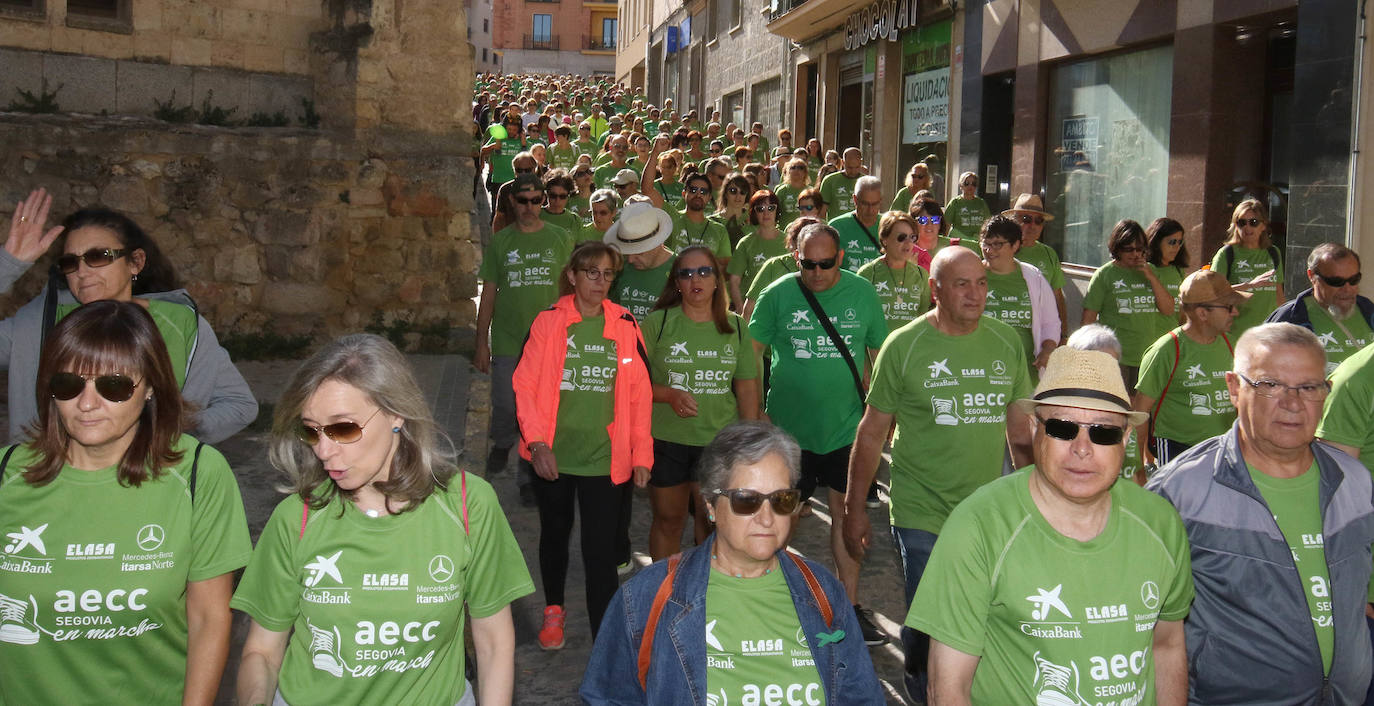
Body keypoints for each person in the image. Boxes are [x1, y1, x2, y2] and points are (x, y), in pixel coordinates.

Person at [233, 333, 532, 706]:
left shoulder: (468, 506)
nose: (323, 450)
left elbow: (493, 642)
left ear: (396, 414)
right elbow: (262, 651)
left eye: (343, 428)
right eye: (311, 430)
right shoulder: (298, 518)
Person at [0, 300, 251, 704]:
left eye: (113, 386)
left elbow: (209, 620)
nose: (87, 403)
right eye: (68, 384)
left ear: (150, 386)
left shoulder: (198, 474)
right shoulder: (7, 477)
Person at [910, 347, 1192, 705]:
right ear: (1034, 429)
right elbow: (947, 690)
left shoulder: (1160, 523)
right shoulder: (977, 527)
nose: (1082, 448)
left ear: (1125, 439)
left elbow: (1166, 646)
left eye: (1104, 433)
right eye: (1062, 428)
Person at [844, 246, 1034, 699]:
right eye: (962, 284)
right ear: (936, 290)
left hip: (986, 510)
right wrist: (854, 508)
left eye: (981, 283)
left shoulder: (1006, 341)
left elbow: (1020, 431)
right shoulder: (904, 345)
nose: (975, 294)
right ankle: (925, 683)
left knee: (983, 607)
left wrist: (1036, 499)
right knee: (932, 613)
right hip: (921, 508)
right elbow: (872, 433)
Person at [579, 421, 884, 704]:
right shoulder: (646, 599)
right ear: (710, 506)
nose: (766, 518)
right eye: (746, 499)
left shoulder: (824, 592)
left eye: (782, 500)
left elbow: (860, 697)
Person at [1151, 323, 1374, 705]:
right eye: (1271, 384)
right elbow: (1149, 630)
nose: (1293, 403)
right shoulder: (1180, 492)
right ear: (1234, 388)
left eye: (1309, 387)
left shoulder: (1353, 481)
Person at [0, 191, 257, 444]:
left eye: (98, 256)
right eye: (70, 262)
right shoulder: (39, 323)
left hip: (146, 470)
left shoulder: (180, 325)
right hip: (48, 470)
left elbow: (239, 404)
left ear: (135, 262)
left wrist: (167, 437)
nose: (82, 271)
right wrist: (9, 263)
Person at [749, 222, 889, 645]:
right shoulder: (777, 294)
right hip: (788, 434)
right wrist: (754, 413)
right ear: (797, 259)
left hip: (846, 430)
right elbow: (749, 354)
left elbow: (880, 356)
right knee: (780, 518)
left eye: (826, 264)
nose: (816, 272)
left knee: (846, 516)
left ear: (840, 259)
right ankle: (770, 602)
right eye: (808, 264)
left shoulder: (862, 293)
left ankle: (848, 608)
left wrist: (883, 417)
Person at [513, 241, 653, 649]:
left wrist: (641, 453)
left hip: (606, 459)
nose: (600, 281)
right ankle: (553, 609)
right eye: (591, 272)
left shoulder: (625, 323)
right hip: (553, 456)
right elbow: (524, 386)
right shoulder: (548, 322)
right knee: (555, 534)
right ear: (572, 276)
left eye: (607, 274)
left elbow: (640, 394)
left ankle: (604, 640)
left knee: (601, 552)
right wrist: (537, 444)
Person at [641, 249, 760, 559]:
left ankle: (707, 584)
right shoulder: (657, 323)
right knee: (669, 520)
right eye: (686, 273)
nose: (696, 279)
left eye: (705, 272)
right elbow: (631, 382)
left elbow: (747, 385)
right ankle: (666, 585)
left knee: (712, 525)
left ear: (717, 280)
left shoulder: (735, 326)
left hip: (719, 442)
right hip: (666, 440)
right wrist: (668, 395)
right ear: (676, 283)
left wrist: (749, 439)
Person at [474, 174, 574, 500]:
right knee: (506, 403)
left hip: (548, 341)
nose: (529, 207)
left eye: (536, 200)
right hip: (508, 338)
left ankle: (527, 474)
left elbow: (571, 290)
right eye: (523, 201)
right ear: (512, 202)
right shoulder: (501, 242)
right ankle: (503, 441)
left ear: (542, 201)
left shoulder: (560, 238)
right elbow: (489, 294)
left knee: (538, 410)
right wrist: (481, 342)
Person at [1131, 269, 1241, 468]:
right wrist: (1137, 470)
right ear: (1202, 313)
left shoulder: (1234, 345)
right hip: (1178, 451)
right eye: (1228, 307)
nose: (1235, 312)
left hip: (1224, 449)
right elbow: (1139, 414)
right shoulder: (1166, 350)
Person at [1081, 219, 1176, 388]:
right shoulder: (1104, 275)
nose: (1135, 254)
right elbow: (1088, 320)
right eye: (1129, 249)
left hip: (1148, 355)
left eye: (1140, 249)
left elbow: (1168, 310)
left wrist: (1151, 277)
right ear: (1117, 248)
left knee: (1141, 403)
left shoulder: (1151, 271)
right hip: (1117, 357)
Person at [1266, 242, 1374, 374]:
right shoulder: (1289, 319)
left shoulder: (1369, 312)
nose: (1347, 289)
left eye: (1354, 280)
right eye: (1336, 281)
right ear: (1312, 276)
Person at [978, 214, 1059, 377]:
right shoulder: (972, 275)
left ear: (1015, 245)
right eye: (986, 243)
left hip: (1025, 372)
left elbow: (1050, 323)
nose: (989, 250)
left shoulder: (1034, 277)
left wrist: (1048, 349)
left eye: (997, 244)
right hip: (981, 369)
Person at [1211, 197, 1284, 338]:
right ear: (1235, 225)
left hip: (1268, 333)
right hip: (1235, 334)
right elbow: (1212, 293)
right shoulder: (1226, 254)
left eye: (1253, 222)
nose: (1247, 227)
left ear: (1263, 226)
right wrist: (1250, 285)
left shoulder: (1273, 252)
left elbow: (1278, 294)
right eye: (1242, 223)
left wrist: (1285, 323)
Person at [1003, 194, 1067, 342]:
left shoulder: (1049, 254)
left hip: (1041, 338)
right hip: (1006, 334)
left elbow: (1058, 296)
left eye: (1038, 221)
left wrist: (1063, 335)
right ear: (1014, 221)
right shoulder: (1001, 249)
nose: (1032, 225)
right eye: (1026, 219)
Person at [855, 211, 931, 333]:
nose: (908, 243)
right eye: (901, 237)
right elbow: (859, 318)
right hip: (878, 344)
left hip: (909, 344)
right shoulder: (868, 273)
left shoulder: (922, 275)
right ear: (885, 239)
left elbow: (922, 319)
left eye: (912, 237)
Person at [606, 198, 675, 319]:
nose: (631, 259)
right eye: (628, 252)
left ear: (656, 242)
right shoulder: (620, 269)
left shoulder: (681, 270)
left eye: (639, 252)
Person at [726, 190, 788, 306]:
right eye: (760, 209)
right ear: (754, 212)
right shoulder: (746, 243)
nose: (766, 213)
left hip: (782, 304)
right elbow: (734, 281)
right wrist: (740, 309)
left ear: (777, 210)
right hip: (752, 305)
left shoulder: (789, 242)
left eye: (771, 208)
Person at [828, 175, 884, 272]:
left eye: (874, 204)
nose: (870, 210)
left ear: (881, 201)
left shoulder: (889, 225)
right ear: (855, 200)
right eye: (865, 204)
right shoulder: (836, 227)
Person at [1145, 217, 1188, 342]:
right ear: (1156, 241)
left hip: (1172, 340)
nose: (1177, 247)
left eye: (1180, 242)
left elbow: (1182, 312)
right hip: (1148, 339)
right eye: (1172, 242)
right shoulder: (1145, 269)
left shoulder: (1178, 270)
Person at [944, 171, 991, 244]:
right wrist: (944, 242)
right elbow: (946, 224)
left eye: (974, 184)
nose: (970, 186)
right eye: (966, 183)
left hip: (977, 242)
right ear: (961, 186)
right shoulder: (955, 202)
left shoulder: (981, 203)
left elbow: (988, 224)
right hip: (959, 241)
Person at [818, 148, 864, 218]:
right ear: (843, 162)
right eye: (850, 167)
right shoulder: (830, 180)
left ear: (861, 162)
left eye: (857, 167)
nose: (853, 171)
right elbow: (822, 211)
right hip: (835, 224)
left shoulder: (866, 182)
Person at [773, 157, 810, 228]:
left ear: (805, 172)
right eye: (793, 167)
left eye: (800, 168)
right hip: (785, 230)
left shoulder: (810, 191)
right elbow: (774, 212)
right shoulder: (782, 190)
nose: (796, 170)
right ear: (788, 171)